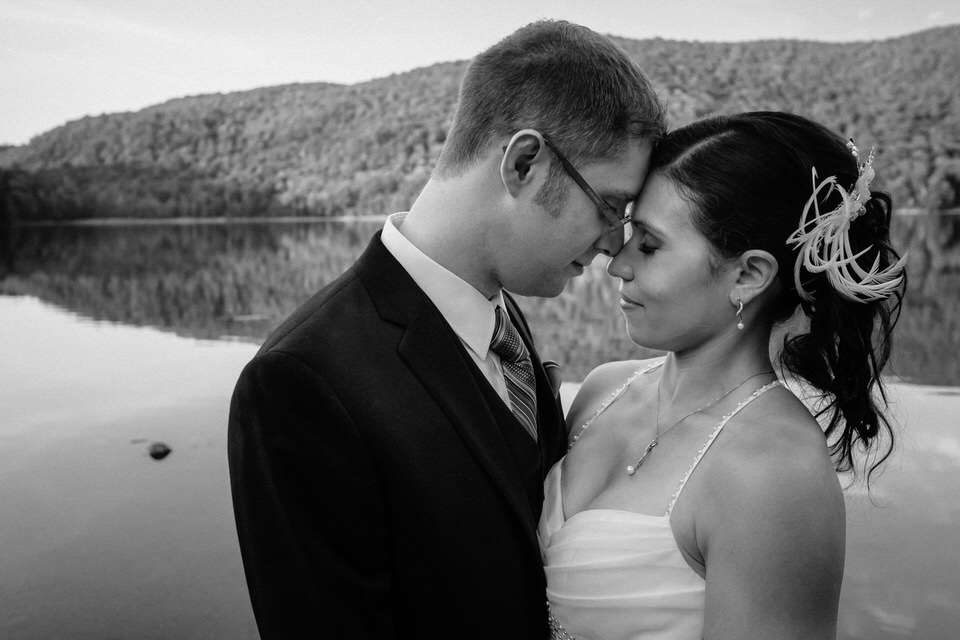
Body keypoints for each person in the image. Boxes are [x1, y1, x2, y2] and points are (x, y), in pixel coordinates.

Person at [228, 20, 666, 639]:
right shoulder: (301, 381)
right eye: (609, 208)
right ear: (525, 163)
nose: (613, 245)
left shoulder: (504, 318)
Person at [539, 112, 907, 639]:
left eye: (649, 245)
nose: (616, 264)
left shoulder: (773, 470)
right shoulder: (603, 389)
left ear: (748, 275)